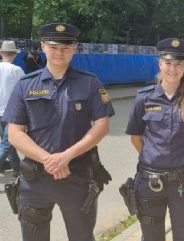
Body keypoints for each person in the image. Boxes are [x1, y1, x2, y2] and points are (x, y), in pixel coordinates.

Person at [3, 23, 115, 241]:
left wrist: (66, 156)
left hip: (77, 176)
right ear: (43, 47)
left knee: (82, 237)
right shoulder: (25, 85)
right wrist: (50, 160)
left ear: (74, 48)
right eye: (53, 46)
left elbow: (102, 126)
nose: (59, 52)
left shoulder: (90, 83)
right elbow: (15, 133)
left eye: (65, 47)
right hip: (35, 180)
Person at [125, 38, 184, 241]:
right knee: (151, 237)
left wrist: (183, 157)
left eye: (179, 64)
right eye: (168, 63)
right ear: (160, 63)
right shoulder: (144, 98)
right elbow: (136, 137)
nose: (173, 69)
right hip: (150, 182)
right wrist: (154, 157)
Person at [0, 41, 25, 176]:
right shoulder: (17, 70)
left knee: (9, 143)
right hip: (11, 112)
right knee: (6, 144)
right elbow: (24, 91)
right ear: (14, 54)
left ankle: (17, 167)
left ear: (1, 53)